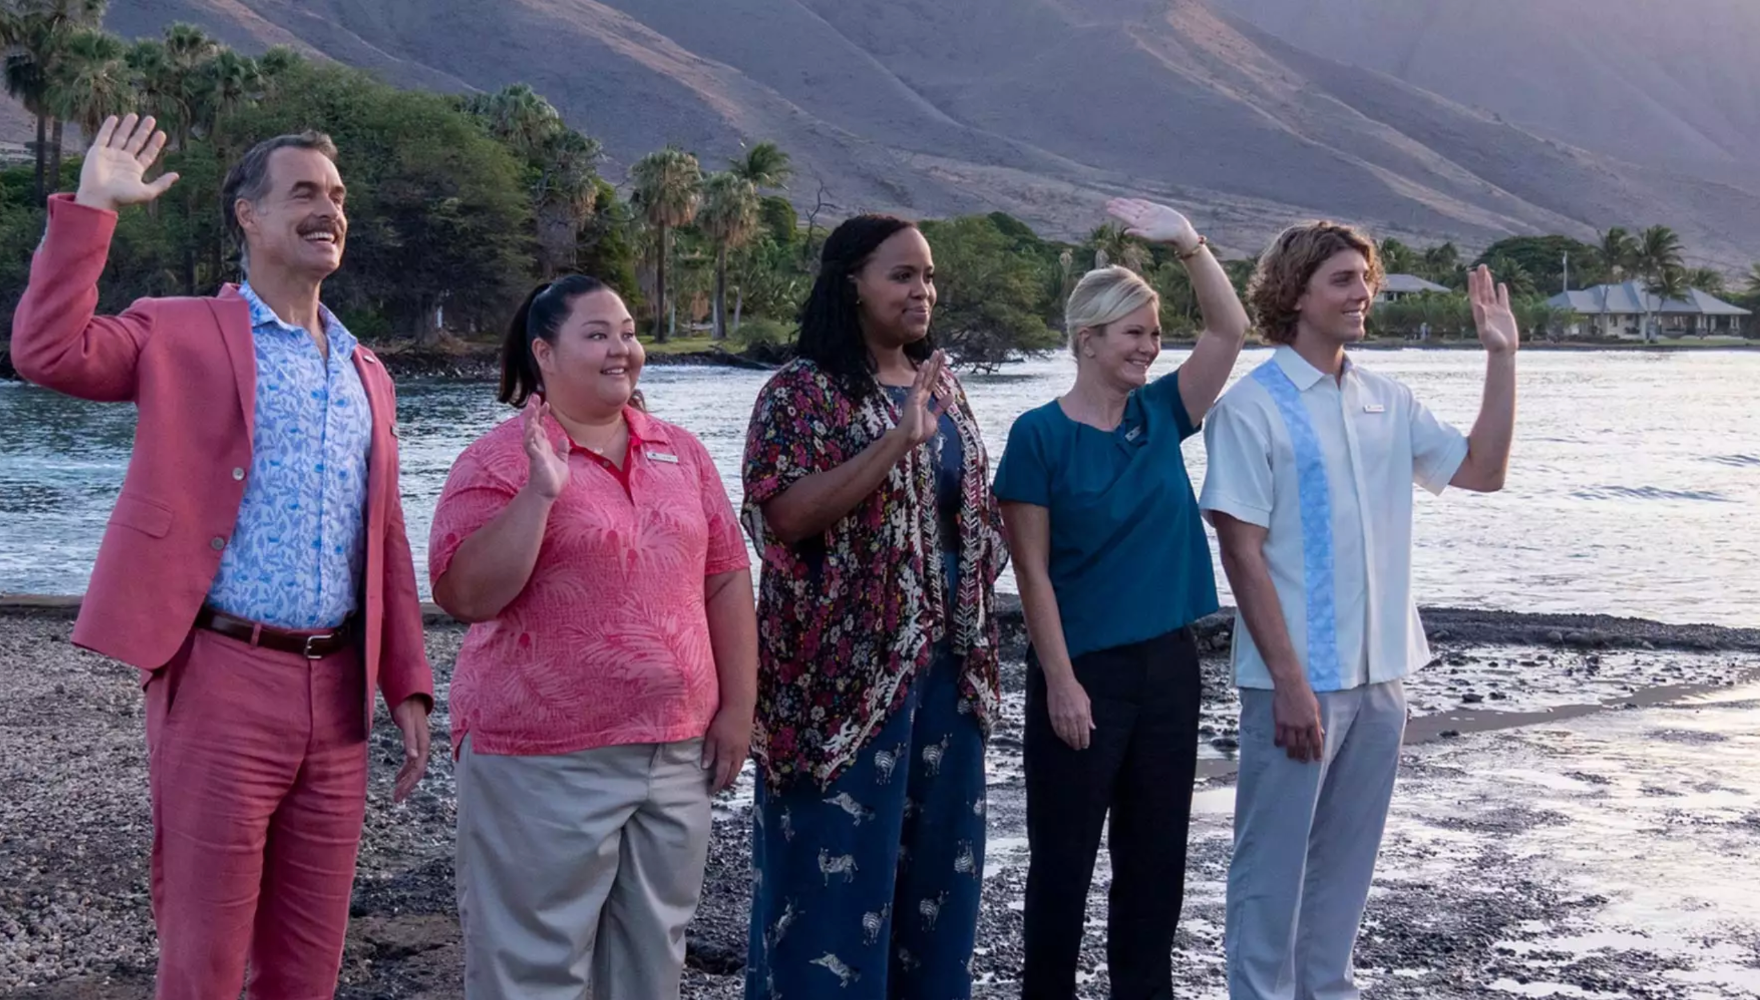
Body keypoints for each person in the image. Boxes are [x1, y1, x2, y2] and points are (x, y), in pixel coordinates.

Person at [10, 115, 435, 1000]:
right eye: (305, 194)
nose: (330, 212)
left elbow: (383, 538)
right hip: (220, 673)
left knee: (307, 965)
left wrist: (409, 687)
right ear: (247, 215)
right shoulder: (178, 330)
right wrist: (91, 210)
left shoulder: (367, 370)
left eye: (339, 197)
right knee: (203, 958)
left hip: (340, 689)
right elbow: (49, 352)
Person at [1200, 223, 1519, 1000]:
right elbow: (1241, 552)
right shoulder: (1250, 408)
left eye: (1365, 278)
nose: (1362, 293)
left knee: (1346, 873)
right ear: (1296, 294)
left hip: (1383, 680)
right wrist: (1291, 683)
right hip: (1295, 681)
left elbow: (1483, 471)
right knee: (1270, 872)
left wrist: (1501, 358)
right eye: (1343, 280)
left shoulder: (1388, 397)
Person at [427, 275, 757, 1000]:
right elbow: (464, 596)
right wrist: (539, 494)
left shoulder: (682, 452)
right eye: (598, 334)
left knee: (650, 962)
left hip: (676, 750)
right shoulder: (497, 460)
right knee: (535, 968)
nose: (623, 349)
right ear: (544, 353)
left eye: (630, 332)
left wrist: (739, 709)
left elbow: (728, 578)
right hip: (542, 758)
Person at [740, 214, 1007, 999]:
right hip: (838, 688)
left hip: (948, 677)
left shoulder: (942, 384)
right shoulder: (800, 391)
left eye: (928, 276)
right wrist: (895, 443)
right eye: (902, 275)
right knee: (827, 897)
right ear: (851, 282)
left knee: (937, 892)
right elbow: (783, 516)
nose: (922, 290)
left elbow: (966, 509)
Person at [992, 198, 1249, 999]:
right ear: (1088, 340)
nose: (1151, 344)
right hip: (1084, 674)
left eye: (1154, 330)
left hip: (1170, 669)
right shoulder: (1039, 435)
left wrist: (1188, 245)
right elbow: (1030, 574)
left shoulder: (1161, 416)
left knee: (1155, 858)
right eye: (1134, 332)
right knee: (1064, 862)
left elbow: (1229, 332)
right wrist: (1061, 681)